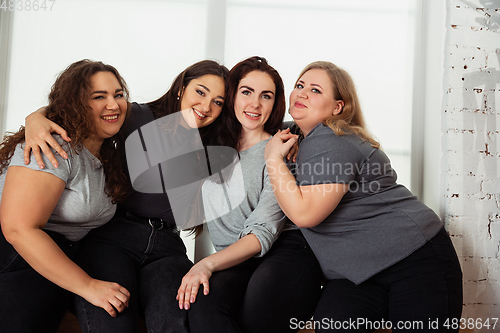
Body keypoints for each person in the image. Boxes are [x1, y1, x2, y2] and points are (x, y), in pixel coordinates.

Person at [23, 60, 229, 333]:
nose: (206, 106)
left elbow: (263, 126)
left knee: (175, 320)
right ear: (181, 88)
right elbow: (82, 107)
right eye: (200, 92)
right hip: (114, 237)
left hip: (168, 247)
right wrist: (35, 118)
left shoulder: (216, 141)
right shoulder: (138, 117)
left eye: (217, 101)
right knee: (112, 320)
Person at [264, 61, 463, 332]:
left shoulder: (331, 138)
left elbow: (304, 214)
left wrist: (273, 159)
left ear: (338, 107)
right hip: (358, 274)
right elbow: (261, 128)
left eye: (315, 90)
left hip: (415, 260)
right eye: (300, 85)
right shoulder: (302, 136)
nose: (302, 93)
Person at [177, 56, 322, 333]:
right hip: (236, 260)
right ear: (232, 96)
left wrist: (205, 264)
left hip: (284, 252)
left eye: (265, 96)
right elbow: (166, 118)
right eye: (246, 92)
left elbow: (264, 229)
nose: (255, 104)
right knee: (202, 305)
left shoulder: (281, 147)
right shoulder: (210, 144)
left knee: (254, 315)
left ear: (275, 103)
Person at [0, 59, 131, 333]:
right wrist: (88, 286)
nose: (113, 104)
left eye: (118, 94)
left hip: (57, 259)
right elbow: (18, 229)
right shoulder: (50, 147)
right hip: (15, 257)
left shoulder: (107, 152)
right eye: (99, 97)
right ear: (76, 104)